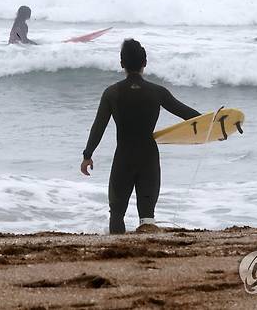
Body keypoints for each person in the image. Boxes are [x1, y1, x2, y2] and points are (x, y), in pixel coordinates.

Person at [80, 39, 200, 234]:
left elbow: (98, 127)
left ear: (121, 63)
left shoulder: (111, 93)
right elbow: (187, 114)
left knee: (117, 213)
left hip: (123, 159)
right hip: (149, 158)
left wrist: (87, 155)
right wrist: (218, 124)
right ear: (145, 62)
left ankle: (115, 256)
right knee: (147, 216)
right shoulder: (157, 92)